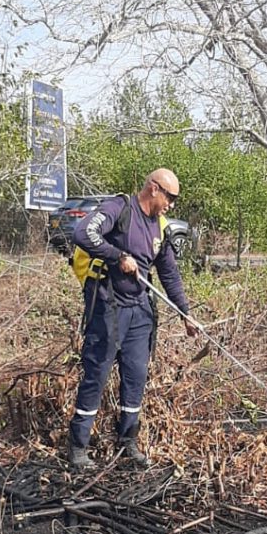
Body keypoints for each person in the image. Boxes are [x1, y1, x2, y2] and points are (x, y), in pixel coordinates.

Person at [68, 169, 197, 471]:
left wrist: (185, 314)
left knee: (136, 375)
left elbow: (169, 273)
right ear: (154, 189)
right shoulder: (120, 209)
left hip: (140, 309)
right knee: (97, 374)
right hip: (108, 305)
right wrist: (117, 255)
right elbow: (82, 232)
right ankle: (77, 447)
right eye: (170, 197)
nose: (171, 205)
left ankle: (128, 442)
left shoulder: (159, 227)